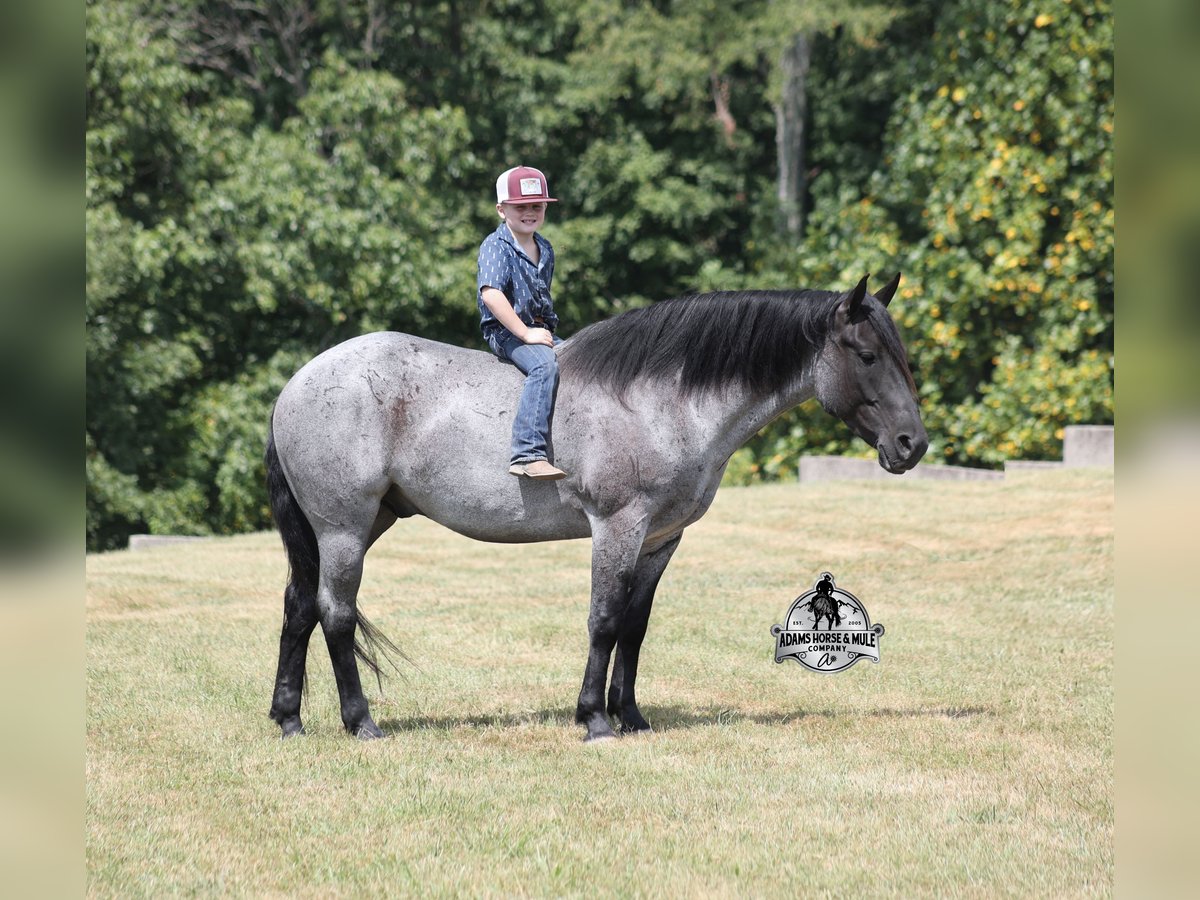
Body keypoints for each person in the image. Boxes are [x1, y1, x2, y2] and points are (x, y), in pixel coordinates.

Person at [477, 165, 568, 481]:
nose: (530, 212)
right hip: (507, 331)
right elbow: (491, 295)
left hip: (539, 330)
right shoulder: (496, 246)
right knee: (544, 367)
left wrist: (540, 332)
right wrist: (525, 333)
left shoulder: (545, 247)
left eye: (537, 205)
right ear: (502, 210)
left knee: (579, 359)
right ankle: (527, 454)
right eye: (520, 206)